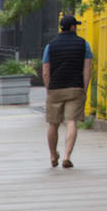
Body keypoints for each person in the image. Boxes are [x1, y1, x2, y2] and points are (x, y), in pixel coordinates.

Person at [40, 15, 93, 169]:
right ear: (72, 27)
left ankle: (52, 155)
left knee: (53, 124)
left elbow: (45, 70)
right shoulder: (84, 44)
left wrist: (48, 87)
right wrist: (84, 87)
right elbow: (87, 68)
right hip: (75, 88)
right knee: (71, 122)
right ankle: (67, 156)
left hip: (55, 88)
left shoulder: (50, 46)